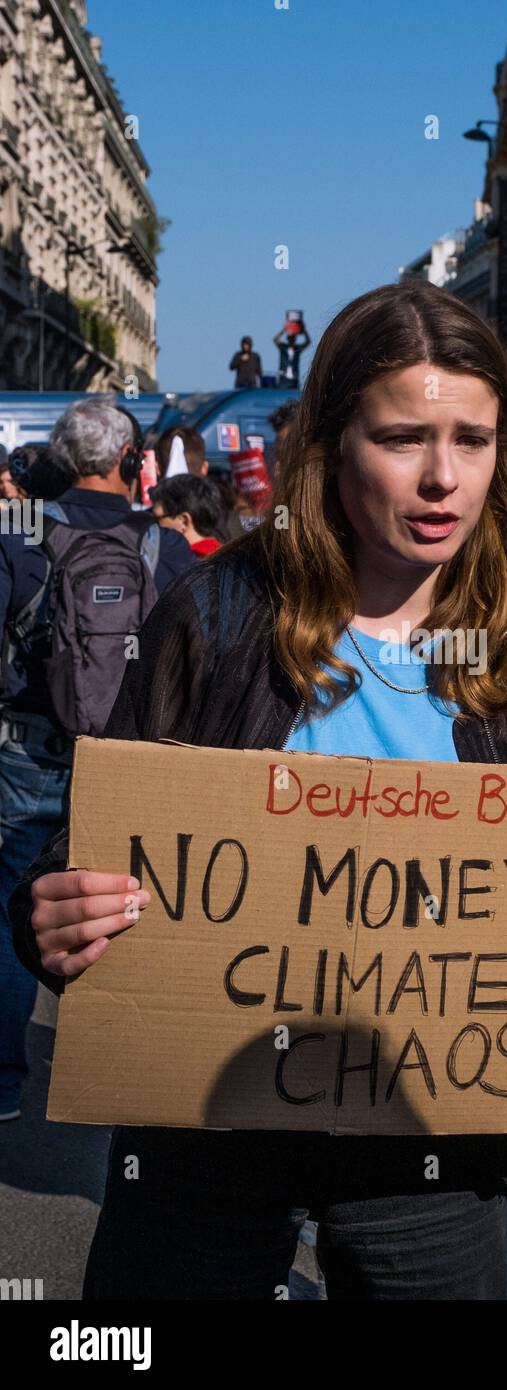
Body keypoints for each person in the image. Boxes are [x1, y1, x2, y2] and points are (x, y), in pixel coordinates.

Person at [10, 282, 507, 1295]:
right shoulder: (217, 615)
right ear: (332, 445)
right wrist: (51, 916)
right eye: (402, 437)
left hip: (435, 1154)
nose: (439, 479)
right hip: (207, 1132)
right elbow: (96, 849)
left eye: (471, 438)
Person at [0, 398, 195, 1123]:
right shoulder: (162, 547)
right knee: (127, 910)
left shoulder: (19, 532)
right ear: (131, 463)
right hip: (134, 758)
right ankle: (125, 1077)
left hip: (30, 753)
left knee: (11, 907)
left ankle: (4, 1084)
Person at [150, 475, 223, 557]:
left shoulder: (180, 563)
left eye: (156, 519)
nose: (150, 524)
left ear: (184, 521)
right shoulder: (225, 556)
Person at [274, 312, 310, 387]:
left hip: (294, 378)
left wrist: (304, 331)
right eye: (290, 338)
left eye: (293, 338)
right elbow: (276, 339)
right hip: (283, 377)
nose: (291, 340)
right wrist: (284, 329)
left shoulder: (297, 349)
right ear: (288, 339)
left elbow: (307, 342)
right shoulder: (283, 347)